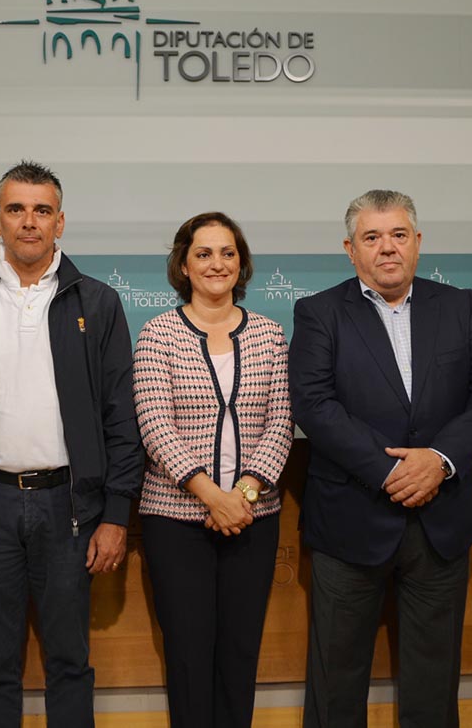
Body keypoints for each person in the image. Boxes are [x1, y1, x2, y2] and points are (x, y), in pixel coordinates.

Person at [0, 161, 142, 727]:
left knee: (70, 663)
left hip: (70, 508)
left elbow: (122, 418)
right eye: (16, 209)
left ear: (60, 221)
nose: (29, 222)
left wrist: (116, 515)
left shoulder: (98, 302)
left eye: (42, 210)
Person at [290, 189, 472, 728]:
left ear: (417, 243)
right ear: (350, 249)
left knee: (434, 683)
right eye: (372, 237)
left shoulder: (458, 305)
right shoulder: (319, 312)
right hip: (351, 522)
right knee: (336, 681)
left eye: (398, 235)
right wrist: (392, 472)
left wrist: (439, 459)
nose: (387, 248)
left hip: (441, 522)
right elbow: (315, 406)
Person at [132, 212, 293, 728]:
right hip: (175, 520)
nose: (216, 263)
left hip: (254, 518)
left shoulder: (270, 334)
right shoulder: (157, 334)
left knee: (240, 653)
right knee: (187, 654)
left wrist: (241, 496)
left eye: (227, 253)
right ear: (184, 263)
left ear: (241, 263)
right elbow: (155, 426)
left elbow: (282, 423)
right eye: (203, 253)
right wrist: (212, 497)